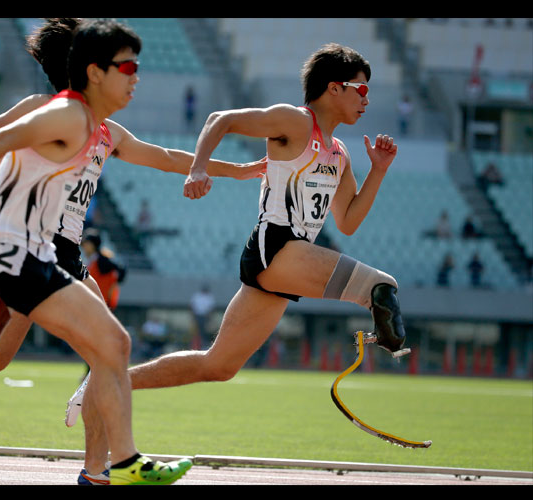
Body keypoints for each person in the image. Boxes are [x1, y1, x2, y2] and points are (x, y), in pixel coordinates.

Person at [0, 18, 265, 486]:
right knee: (86, 351)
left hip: (57, 252)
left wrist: (239, 169)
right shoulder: (49, 110)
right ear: (90, 70)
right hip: (16, 250)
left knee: (80, 353)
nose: (135, 76)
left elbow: (167, 158)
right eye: (126, 66)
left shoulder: (105, 132)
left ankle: (101, 469)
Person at [67, 43, 409, 468]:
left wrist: (378, 170)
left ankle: (104, 385)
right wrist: (199, 168)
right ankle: (388, 338)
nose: (367, 99)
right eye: (361, 89)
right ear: (333, 88)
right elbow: (220, 119)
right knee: (381, 288)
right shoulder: (294, 121)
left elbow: (350, 220)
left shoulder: (339, 154)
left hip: (289, 261)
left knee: (218, 365)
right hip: (277, 249)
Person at [81, 228, 126, 311]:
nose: (83, 246)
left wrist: (112, 285)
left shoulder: (102, 260)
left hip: (100, 304)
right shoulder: (91, 260)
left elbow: (121, 270)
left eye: (86, 243)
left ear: (92, 245)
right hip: (91, 302)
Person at [190, 284, 215, 349]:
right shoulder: (197, 295)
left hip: (205, 316)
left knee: (204, 331)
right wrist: (193, 316)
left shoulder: (209, 296)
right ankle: (196, 344)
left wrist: (209, 317)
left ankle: (204, 344)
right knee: (196, 331)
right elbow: (192, 306)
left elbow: (211, 308)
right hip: (197, 315)